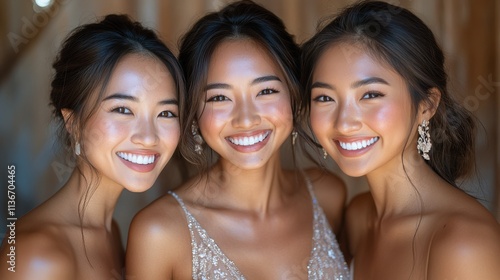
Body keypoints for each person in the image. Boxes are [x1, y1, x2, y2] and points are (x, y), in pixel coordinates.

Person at [126, 1, 349, 279]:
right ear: (193, 114)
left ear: (294, 96)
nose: (246, 119)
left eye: (265, 91)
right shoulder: (159, 233)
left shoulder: (329, 196)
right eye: (219, 97)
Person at [301, 1, 500, 279]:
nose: (344, 122)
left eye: (370, 95)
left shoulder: (464, 243)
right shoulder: (358, 218)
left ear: (426, 106)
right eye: (325, 98)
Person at [0, 14, 184, 279]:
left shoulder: (111, 231)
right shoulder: (37, 256)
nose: (148, 137)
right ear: (73, 122)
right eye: (122, 109)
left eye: (166, 113)